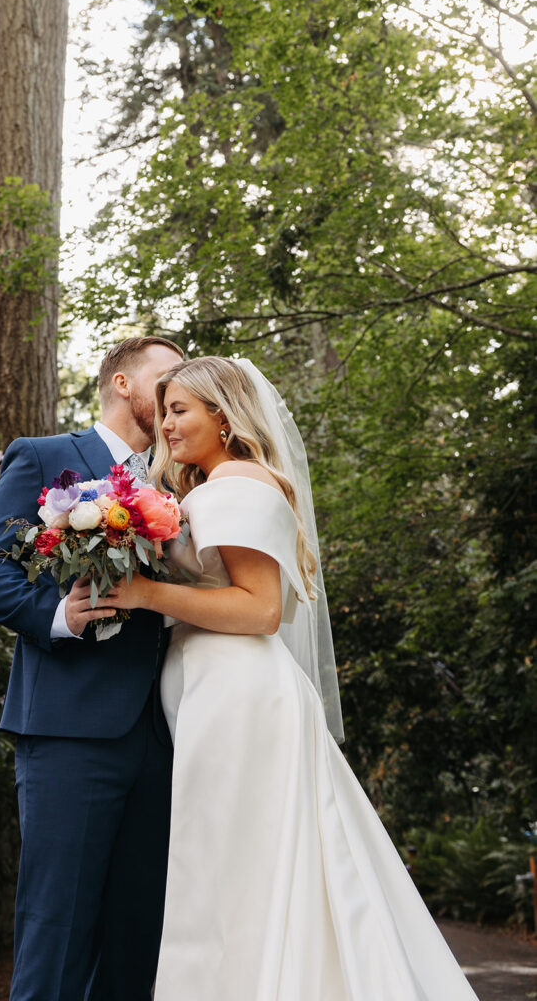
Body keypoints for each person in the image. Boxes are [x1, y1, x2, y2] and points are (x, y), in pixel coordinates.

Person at [111, 355, 479, 1001]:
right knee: (225, 866)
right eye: (164, 410)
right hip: (211, 697)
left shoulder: (242, 484)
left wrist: (145, 594)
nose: (165, 425)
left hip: (241, 698)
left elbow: (261, 609)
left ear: (223, 418)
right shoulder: (206, 489)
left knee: (241, 864)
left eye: (179, 410)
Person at [0, 336, 183, 1001]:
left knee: (138, 938)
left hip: (164, 735)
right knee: (56, 933)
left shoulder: (176, 482)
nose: (178, 393)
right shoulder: (47, 456)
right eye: (166, 377)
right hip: (68, 731)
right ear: (122, 382)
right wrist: (61, 618)